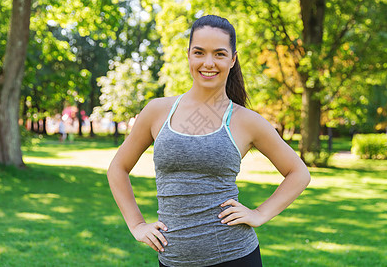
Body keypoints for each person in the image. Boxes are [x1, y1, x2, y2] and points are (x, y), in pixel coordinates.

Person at [107, 15, 310, 267]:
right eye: (199, 52)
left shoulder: (245, 120)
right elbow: (117, 168)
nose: (208, 62)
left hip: (235, 255)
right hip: (173, 260)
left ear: (233, 59)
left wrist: (259, 214)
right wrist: (137, 224)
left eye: (220, 54)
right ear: (189, 55)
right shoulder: (158, 111)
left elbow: (298, 172)